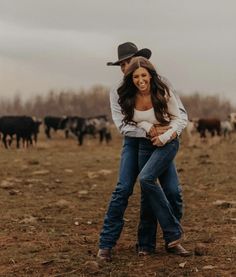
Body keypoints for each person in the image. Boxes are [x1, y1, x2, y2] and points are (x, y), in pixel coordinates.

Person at [97, 42, 190, 261]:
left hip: (162, 141)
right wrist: (149, 130)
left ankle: (169, 239)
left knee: (172, 192)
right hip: (133, 143)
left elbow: (180, 114)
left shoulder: (161, 83)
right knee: (123, 189)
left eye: (128, 62)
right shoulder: (118, 91)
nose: (125, 67)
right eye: (121, 64)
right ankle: (106, 244)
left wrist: (165, 134)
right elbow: (123, 125)